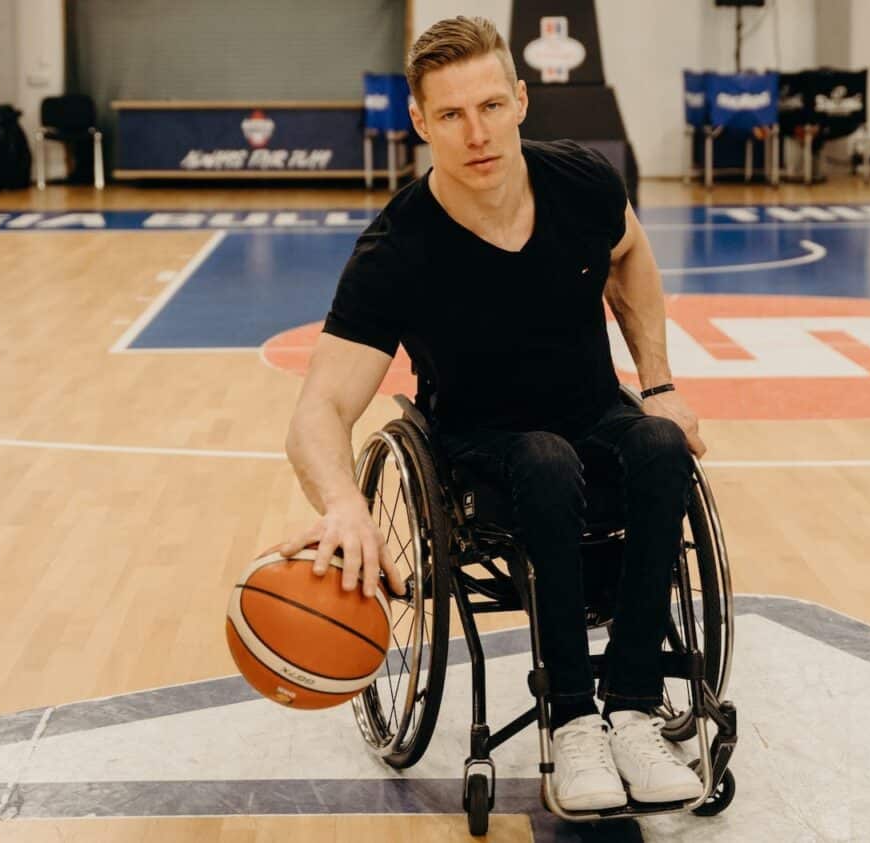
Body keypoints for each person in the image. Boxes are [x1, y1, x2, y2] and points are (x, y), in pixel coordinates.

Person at [281, 15, 706, 812]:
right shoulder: (398, 249)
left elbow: (631, 255)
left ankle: (636, 713)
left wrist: (659, 385)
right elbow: (323, 405)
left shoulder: (581, 183)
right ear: (419, 121)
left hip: (591, 413)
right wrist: (344, 502)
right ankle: (574, 721)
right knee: (545, 459)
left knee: (658, 446)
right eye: (449, 114)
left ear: (519, 101)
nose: (475, 133)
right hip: (479, 446)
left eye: (488, 107)